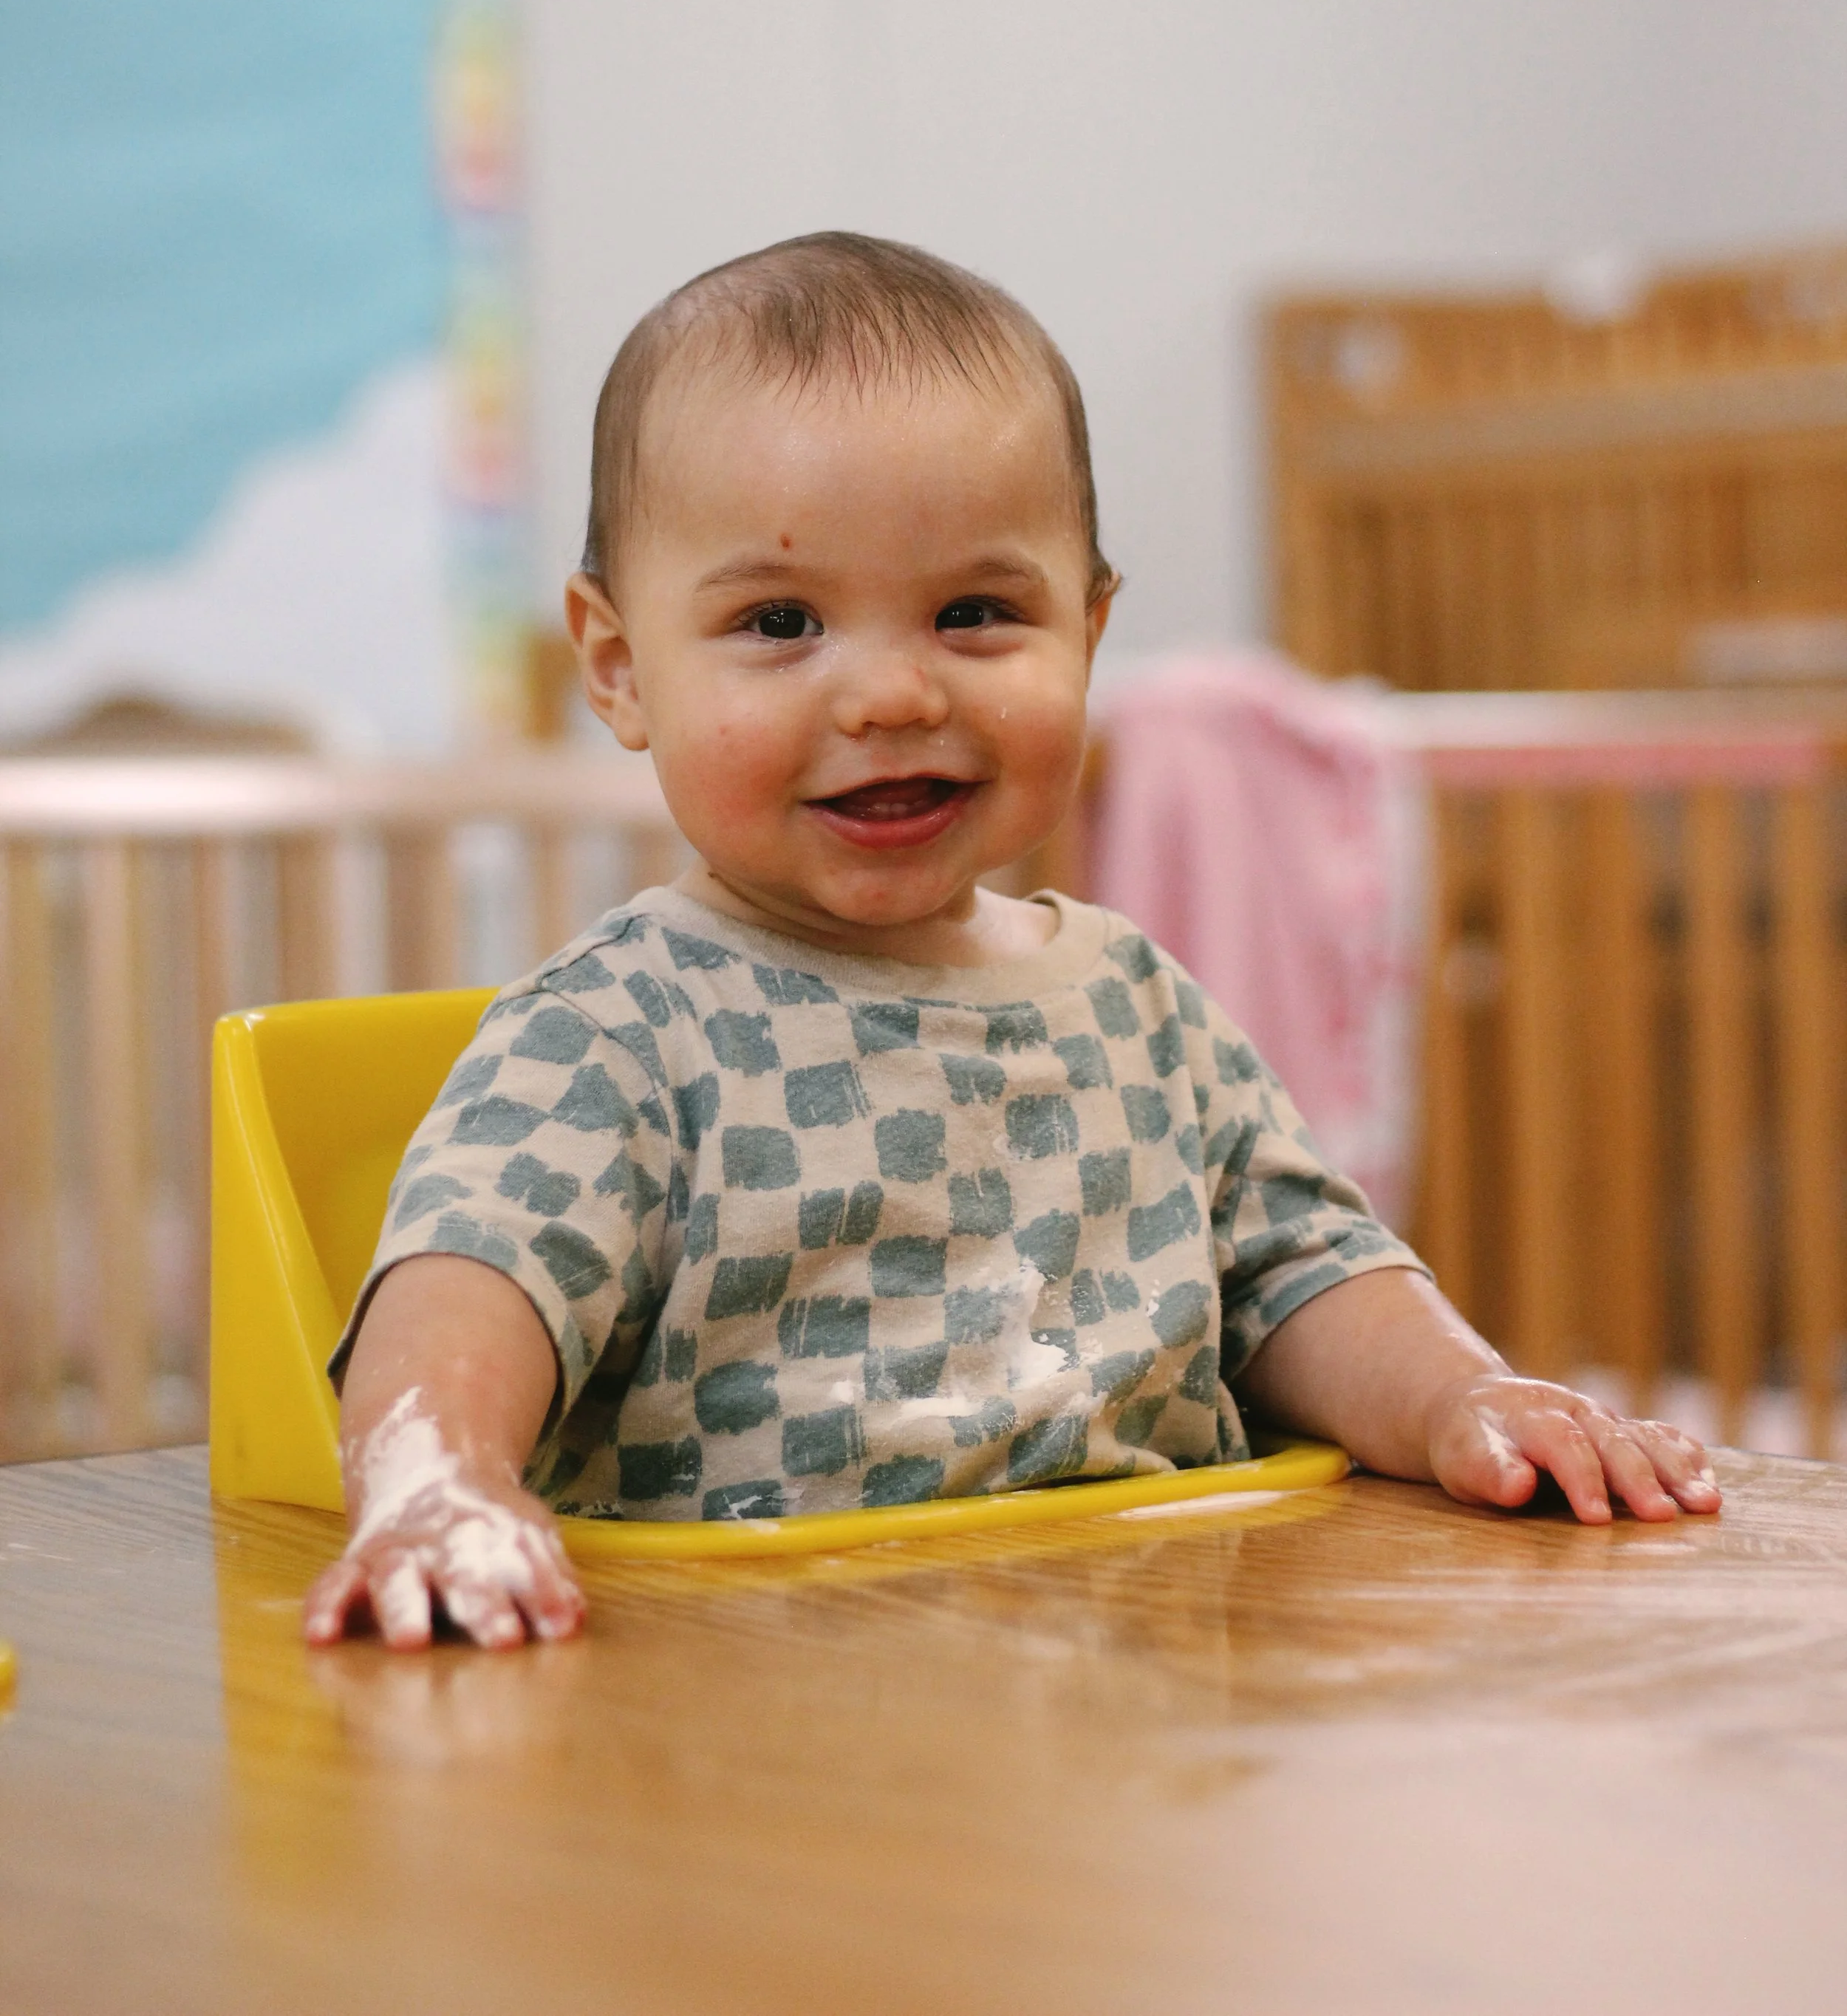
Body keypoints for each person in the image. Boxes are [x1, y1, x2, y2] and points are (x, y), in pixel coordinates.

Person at [304, 233, 1719, 1651]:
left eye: (977, 613)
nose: (892, 691)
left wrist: (1455, 1394)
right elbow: (467, 1281)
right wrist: (439, 1474)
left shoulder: (1137, 1005)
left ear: (1089, 630)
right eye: (779, 622)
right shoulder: (616, 1028)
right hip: (748, 1717)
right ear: (618, 668)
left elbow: (1303, 1267)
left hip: (1139, 1677)